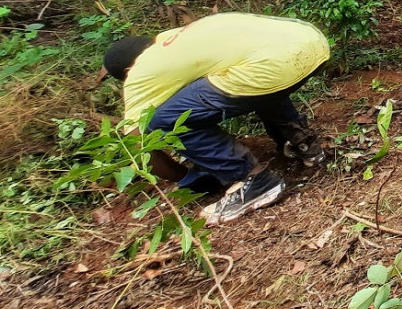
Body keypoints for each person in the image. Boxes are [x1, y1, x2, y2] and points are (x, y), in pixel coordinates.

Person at [101, 13, 328, 224]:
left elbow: (137, 143)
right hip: (312, 42)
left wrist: (188, 178)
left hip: (271, 66)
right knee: (253, 79)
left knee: (159, 121)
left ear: (129, 69)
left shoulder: (141, 71)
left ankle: (255, 182)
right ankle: (303, 143)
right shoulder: (179, 36)